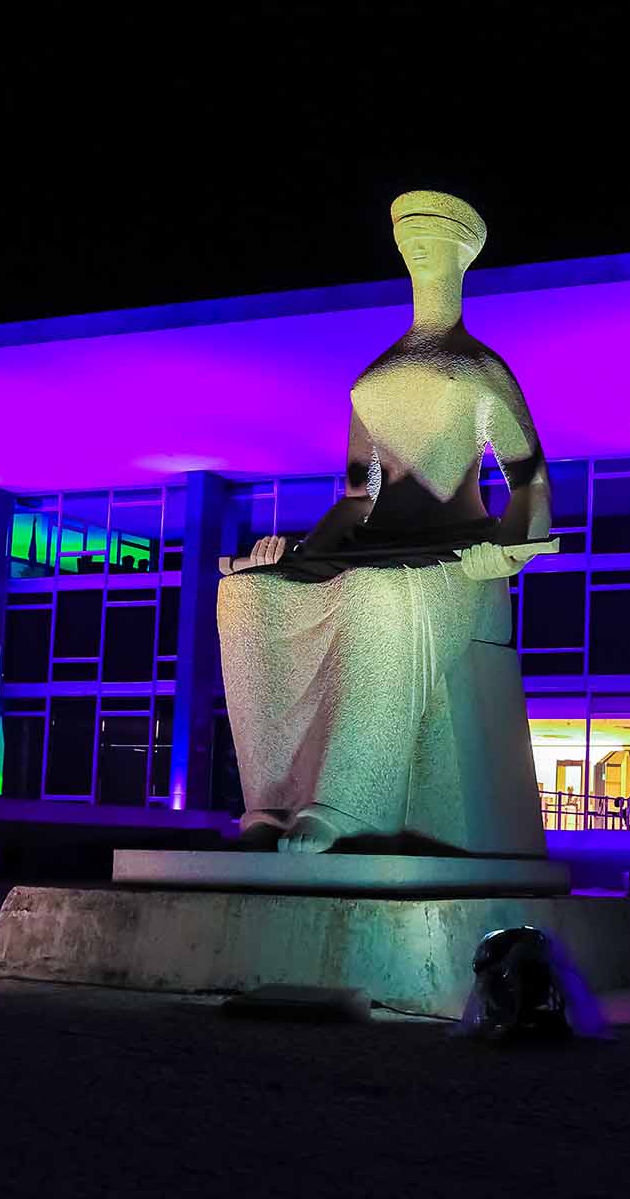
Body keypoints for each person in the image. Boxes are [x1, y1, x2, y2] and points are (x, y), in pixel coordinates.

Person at [217, 191, 560, 857]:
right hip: (373, 547)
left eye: (432, 246)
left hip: (455, 561)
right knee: (247, 596)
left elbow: (531, 482)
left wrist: (510, 548)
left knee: (377, 596)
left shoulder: (480, 372)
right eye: (410, 247)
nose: (419, 257)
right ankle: (272, 799)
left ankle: (351, 803)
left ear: (462, 259)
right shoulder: (373, 382)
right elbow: (355, 499)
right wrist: (295, 555)